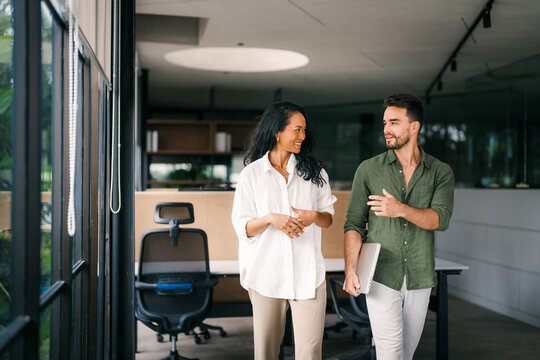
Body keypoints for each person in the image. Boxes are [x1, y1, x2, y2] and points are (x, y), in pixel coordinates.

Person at [343, 93, 454, 360]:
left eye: (394, 122)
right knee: (390, 352)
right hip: (381, 273)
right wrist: (350, 270)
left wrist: (400, 209)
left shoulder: (440, 172)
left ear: (414, 127)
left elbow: (440, 220)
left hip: (419, 274)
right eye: (385, 123)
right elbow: (354, 224)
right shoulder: (368, 170)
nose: (386, 129)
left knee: (406, 352)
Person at [231, 101, 336, 360]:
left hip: (308, 274)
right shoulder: (252, 175)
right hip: (266, 274)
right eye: (297, 130)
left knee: (310, 353)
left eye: (304, 131)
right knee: (265, 353)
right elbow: (242, 227)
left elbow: (328, 220)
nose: (303, 136)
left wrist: (314, 216)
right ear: (277, 131)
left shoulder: (315, 172)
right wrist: (270, 219)